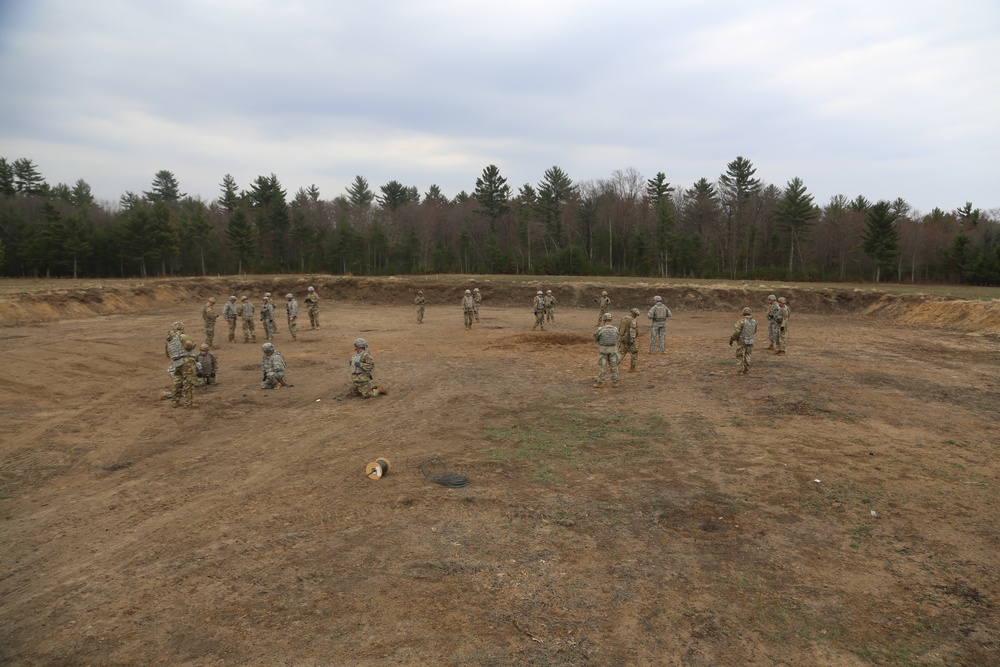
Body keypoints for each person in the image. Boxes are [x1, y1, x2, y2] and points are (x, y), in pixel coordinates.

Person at [165, 321, 198, 408]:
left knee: (178, 383)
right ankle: (189, 403)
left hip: (176, 363)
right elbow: (189, 346)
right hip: (186, 361)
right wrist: (194, 344)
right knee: (189, 382)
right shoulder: (182, 336)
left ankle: (175, 401)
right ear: (181, 328)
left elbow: (167, 354)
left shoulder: (169, 340)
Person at [593, 312, 620, 388]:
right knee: (614, 366)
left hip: (603, 349)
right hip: (613, 349)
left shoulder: (600, 329)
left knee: (602, 366)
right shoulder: (615, 329)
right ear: (610, 320)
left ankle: (601, 382)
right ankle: (615, 382)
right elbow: (617, 337)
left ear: (603, 320)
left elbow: (595, 338)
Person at [729, 307, 758, 375]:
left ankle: (740, 370)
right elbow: (755, 331)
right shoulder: (754, 322)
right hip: (750, 340)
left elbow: (736, 332)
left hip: (742, 340)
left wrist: (731, 339)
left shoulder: (741, 321)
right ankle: (746, 369)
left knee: (740, 355)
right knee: (747, 355)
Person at [617, 307, 640, 372]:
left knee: (622, 352)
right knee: (634, 352)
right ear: (634, 314)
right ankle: (632, 368)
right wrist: (632, 340)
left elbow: (620, 328)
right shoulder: (632, 320)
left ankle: (614, 365)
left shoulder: (624, 318)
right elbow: (632, 331)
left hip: (622, 337)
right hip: (628, 339)